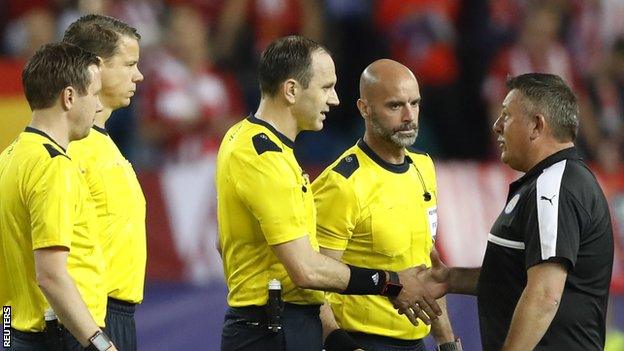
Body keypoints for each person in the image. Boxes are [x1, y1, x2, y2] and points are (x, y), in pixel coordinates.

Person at [216, 36, 443, 351]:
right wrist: (390, 282)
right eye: (326, 87)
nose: (335, 99)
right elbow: (306, 268)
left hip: (278, 322)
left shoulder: (245, 138)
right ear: (292, 90)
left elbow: (224, 242)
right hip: (273, 328)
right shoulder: (264, 158)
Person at [423, 73, 614, 351]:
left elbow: (545, 294)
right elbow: (519, 275)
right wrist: (451, 279)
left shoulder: (554, 186)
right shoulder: (549, 182)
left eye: (506, 116)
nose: (497, 126)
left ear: (537, 125)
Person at [312, 59, 462, 351]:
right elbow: (312, 287)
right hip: (362, 341)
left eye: (414, 104)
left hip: (415, 342)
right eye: (395, 106)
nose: (409, 116)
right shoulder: (342, 184)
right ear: (364, 109)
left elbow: (427, 266)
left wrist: (446, 341)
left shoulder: (423, 167)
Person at [0, 43, 117, 351]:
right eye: (93, 95)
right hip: (58, 335)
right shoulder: (53, 167)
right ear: (69, 97)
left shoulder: (9, 157)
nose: (98, 107)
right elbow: (50, 275)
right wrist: (100, 344)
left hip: (13, 328)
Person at [62, 14, 146, 351]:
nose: (138, 75)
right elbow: (47, 261)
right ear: (96, 67)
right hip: (89, 320)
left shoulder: (101, 143)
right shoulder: (69, 149)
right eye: (129, 64)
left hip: (113, 317)